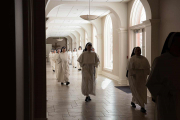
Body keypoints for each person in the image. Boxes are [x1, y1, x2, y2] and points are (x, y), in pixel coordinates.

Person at [146, 32, 180, 120]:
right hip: (167, 101)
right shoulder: (160, 61)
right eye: (177, 44)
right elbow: (151, 83)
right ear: (170, 45)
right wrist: (167, 91)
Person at [127, 47, 150, 113]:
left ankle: (133, 101)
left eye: (139, 50)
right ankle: (142, 105)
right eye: (137, 50)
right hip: (135, 77)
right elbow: (130, 69)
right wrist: (132, 75)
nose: (138, 52)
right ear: (134, 51)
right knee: (136, 90)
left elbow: (147, 68)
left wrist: (147, 73)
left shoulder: (144, 59)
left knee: (142, 90)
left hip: (142, 78)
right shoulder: (132, 59)